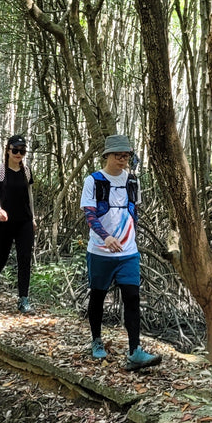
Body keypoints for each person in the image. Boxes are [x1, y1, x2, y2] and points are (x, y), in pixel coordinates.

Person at [81, 134, 161, 371]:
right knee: (97, 295)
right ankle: (96, 340)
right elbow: (90, 214)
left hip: (128, 252)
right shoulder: (93, 181)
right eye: (118, 155)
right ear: (107, 156)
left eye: (126, 155)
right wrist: (106, 237)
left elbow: (134, 210)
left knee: (132, 297)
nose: (123, 159)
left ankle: (135, 351)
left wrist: (129, 237)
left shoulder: (133, 181)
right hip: (100, 251)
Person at [0, 135, 36, 313]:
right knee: (1, 259)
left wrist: (33, 217)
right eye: (15, 150)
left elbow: (29, 196)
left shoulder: (27, 171)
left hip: (24, 222)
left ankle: (23, 298)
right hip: (3, 222)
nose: (18, 154)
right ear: (8, 150)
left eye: (22, 151)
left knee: (24, 259)